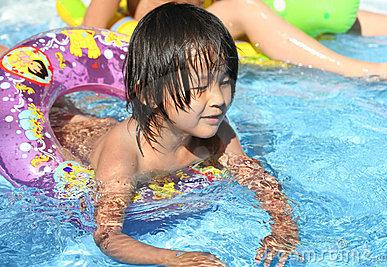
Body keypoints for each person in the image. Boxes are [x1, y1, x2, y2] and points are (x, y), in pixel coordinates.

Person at [52, 3, 299, 266]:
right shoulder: (126, 153)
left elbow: (256, 178)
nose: (218, 99)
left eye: (224, 82)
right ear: (147, 94)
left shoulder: (216, 131)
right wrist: (176, 258)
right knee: (66, 115)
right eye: (199, 87)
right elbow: (107, 235)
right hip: (73, 135)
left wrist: (283, 227)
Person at [82, 0, 387, 81]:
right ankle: (361, 70)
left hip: (202, 25)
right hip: (158, 34)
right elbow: (87, 37)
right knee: (244, 8)